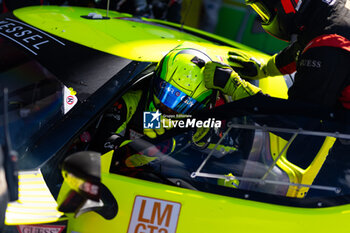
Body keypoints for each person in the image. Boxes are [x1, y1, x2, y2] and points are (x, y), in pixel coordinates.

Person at [203, 0, 350, 196]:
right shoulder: (329, 11)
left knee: (321, 204)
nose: (266, 18)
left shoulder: (330, 42)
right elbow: (303, 45)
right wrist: (263, 69)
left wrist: (238, 89)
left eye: (265, 10)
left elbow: (298, 123)